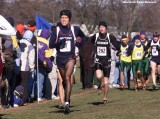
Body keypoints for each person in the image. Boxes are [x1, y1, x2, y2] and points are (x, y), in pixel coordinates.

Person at [49, 9, 86, 113]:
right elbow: (50, 45)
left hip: (71, 57)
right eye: (62, 18)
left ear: (69, 19)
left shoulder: (75, 29)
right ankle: (67, 99)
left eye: (65, 18)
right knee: (64, 81)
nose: (63, 20)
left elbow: (84, 38)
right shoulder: (56, 30)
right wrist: (58, 42)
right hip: (60, 58)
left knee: (67, 77)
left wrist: (78, 44)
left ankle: (66, 103)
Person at [91, 21, 119, 104]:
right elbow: (91, 44)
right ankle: (100, 85)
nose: (101, 28)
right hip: (98, 60)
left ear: (106, 28)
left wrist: (118, 50)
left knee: (106, 82)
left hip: (107, 61)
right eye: (100, 27)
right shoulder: (96, 36)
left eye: (103, 27)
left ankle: (105, 97)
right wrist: (93, 52)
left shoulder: (109, 36)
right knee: (99, 77)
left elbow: (117, 45)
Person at [19, 30, 35, 104]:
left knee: (17, 83)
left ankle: (15, 99)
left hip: (17, 65)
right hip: (25, 67)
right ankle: (23, 100)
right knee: (24, 84)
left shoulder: (18, 41)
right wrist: (32, 68)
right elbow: (31, 58)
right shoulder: (30, 45)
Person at [36, 29, 53, 101]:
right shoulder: (47, 43)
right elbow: (48, 56)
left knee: (34, 80)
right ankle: (39, 95)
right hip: (42, 63)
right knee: (40, 79)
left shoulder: (36, 39)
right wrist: (49, 66)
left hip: (34, 62)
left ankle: (34, 94)